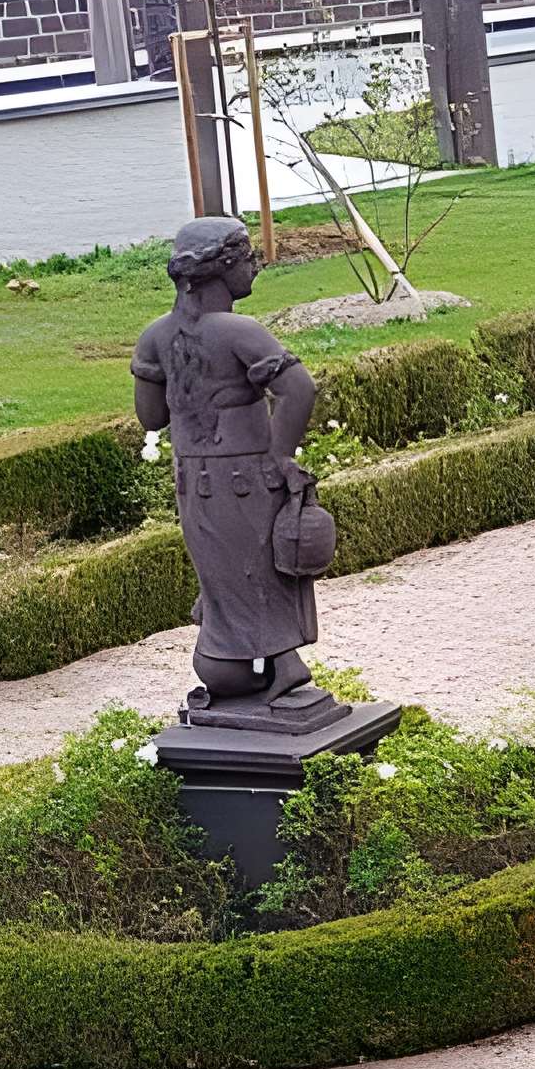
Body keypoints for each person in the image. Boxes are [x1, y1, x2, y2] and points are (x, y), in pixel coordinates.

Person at [133, 216, 340, 732]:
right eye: (247, 256)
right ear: (221, 267)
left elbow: (151, 417)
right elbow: (300, 389)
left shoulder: (156, 336)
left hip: (194, 483)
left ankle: (260, 667)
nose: (256, 265)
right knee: (259, 569)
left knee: (226, 574)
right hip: (248, 477)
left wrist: (159, 369)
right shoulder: (240, 332)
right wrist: (279, 456)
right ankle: (281, 668)